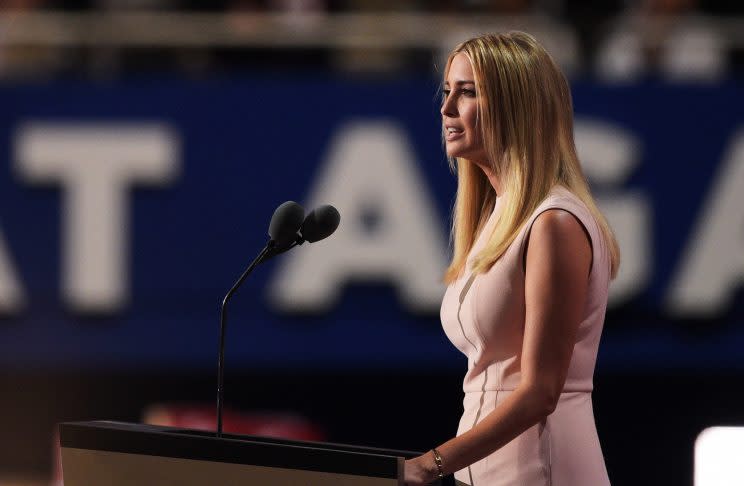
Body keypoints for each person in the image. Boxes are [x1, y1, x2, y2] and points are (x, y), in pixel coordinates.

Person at [404, 31, 620, 485]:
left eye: (467, 93)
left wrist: (431, 463)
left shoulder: (555, 223)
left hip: (543, 470)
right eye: (447, 92)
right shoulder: (498, 217)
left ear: (514, 106)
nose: (446, 110)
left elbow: (541, 392)